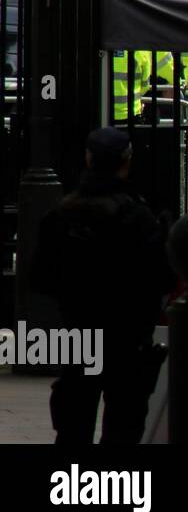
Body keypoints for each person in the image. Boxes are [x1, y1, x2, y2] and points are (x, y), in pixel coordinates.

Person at [33, 128, 173, 444]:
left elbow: (41, 277)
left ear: (88, 159)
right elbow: (161, 280)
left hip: (78, 332)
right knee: (123, 427)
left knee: (73, 426)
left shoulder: (61, 215)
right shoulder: (139, 217)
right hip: (128, 337)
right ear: (126, 161)